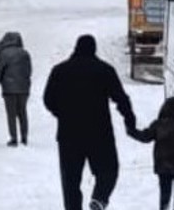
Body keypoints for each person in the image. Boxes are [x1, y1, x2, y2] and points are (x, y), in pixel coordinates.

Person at [44, 35, 137, 210]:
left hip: (68, 134)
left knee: (70, 180)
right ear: (94, 49)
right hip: (99, 133)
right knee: (109, 170)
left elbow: (48, 99)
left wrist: (62, 114)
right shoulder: (104, 70)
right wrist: (129, 120)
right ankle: (99, 198)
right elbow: (120, 98)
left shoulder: (60, 71)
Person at [128, 97, 174, 210]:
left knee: (165, 191)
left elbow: (145, 137)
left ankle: (164, 206)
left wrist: (132, 132)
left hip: (163, 165)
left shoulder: (158, 125)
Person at [0, 31, 33, 147]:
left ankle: (13, 137)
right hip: (24, 87)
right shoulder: (25, 53)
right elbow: (29, 70)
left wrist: (2, 81)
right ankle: (24, 136)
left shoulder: (4, 54)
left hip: (9, 88)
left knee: (11, 114)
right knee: (22, 112)